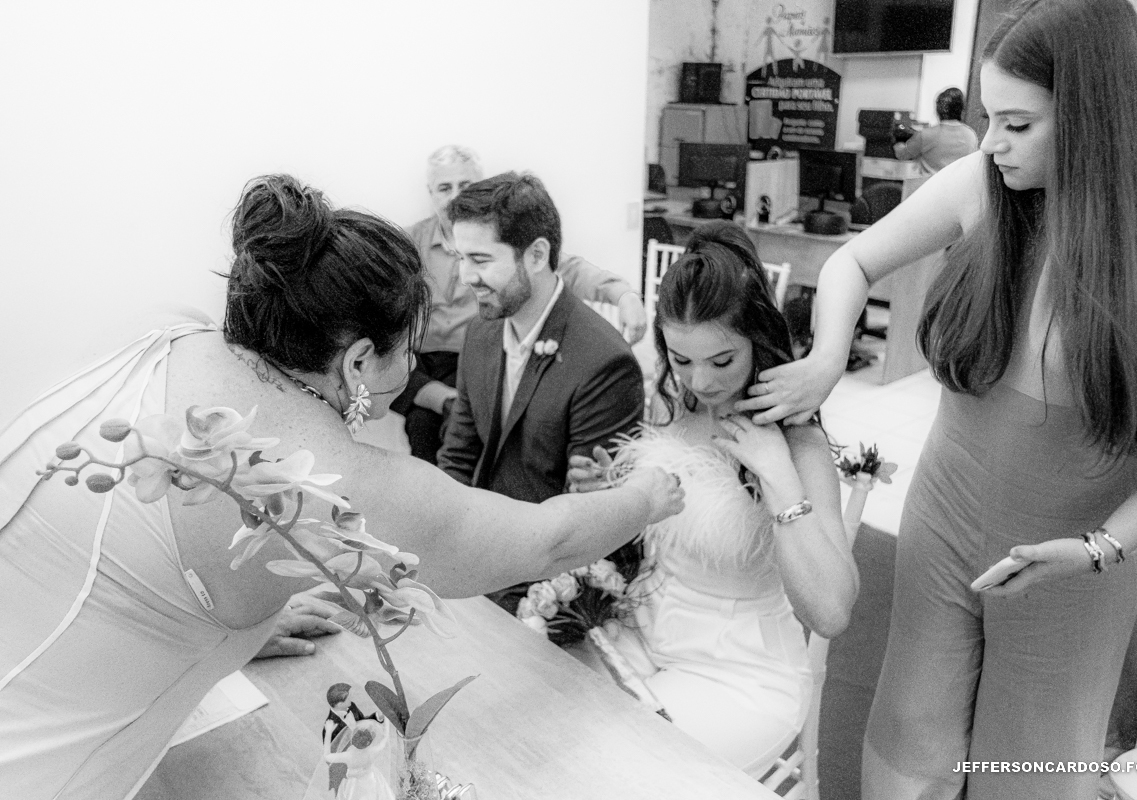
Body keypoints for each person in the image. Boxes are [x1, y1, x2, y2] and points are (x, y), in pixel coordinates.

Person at [0, 174, 684, 800]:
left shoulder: (172, 336)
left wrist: (244, 622)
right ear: (358, 361)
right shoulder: (330, 478)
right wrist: (651, 496)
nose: (412, 366)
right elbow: (549, 543)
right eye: (408, 350)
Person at [735, 1, 1137, 797]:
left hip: (1079, 546)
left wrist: (1101, 546)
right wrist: (827, 357)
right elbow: (852, 262)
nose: (990, 143)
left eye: (1018, 124)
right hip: (947, 508)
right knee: (908, 736)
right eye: (989, 118)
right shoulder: (984, 185)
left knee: (1029, 764)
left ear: (1092, 120)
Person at [568, 221, 858, 778]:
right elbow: (666, 527)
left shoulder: (798, 440)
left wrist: (778, 477)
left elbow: (831, 611)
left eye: (721, 361)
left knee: (623, 770)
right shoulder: (671, 405)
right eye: (681, 360)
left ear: (758, 341)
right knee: (553, 729)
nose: (699, 381)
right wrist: (615, 494)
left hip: (740, 677)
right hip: (645, 637)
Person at [438, 172, 645, 611]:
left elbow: (588, 519)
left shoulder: (604, 361)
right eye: (460, 258)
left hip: (546, 582)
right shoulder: (481, 333)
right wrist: (441, 553)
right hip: (476, 557)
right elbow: (458, 456)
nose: (465, 276)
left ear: (536, 255)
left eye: (479, 259)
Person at [391, 145, 647, 463]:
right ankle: (443, 404)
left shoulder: (507, 240)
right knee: (400, 383)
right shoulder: (409, 242)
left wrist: (624, 295)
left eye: (465, 186)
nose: (455, 196)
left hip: (471, 356)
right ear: (430, 193)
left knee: (440, 428)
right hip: (421, 361)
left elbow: (569, 268)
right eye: (445, 188)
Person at [892, 87, 980, 176]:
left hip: (929, 183)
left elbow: (902, 155)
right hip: (958, 183)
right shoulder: (971, 135)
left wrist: (898, 145)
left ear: (938, 110)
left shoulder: (926, 134)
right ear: (962, 110)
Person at [323, 721, 393, 800]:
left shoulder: (348, 756)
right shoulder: (372, 753)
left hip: (352, 785)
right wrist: (387, 720)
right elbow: (385, 738)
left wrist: (328, 732)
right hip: (370, 781)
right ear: (369, 742)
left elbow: (327, 756)